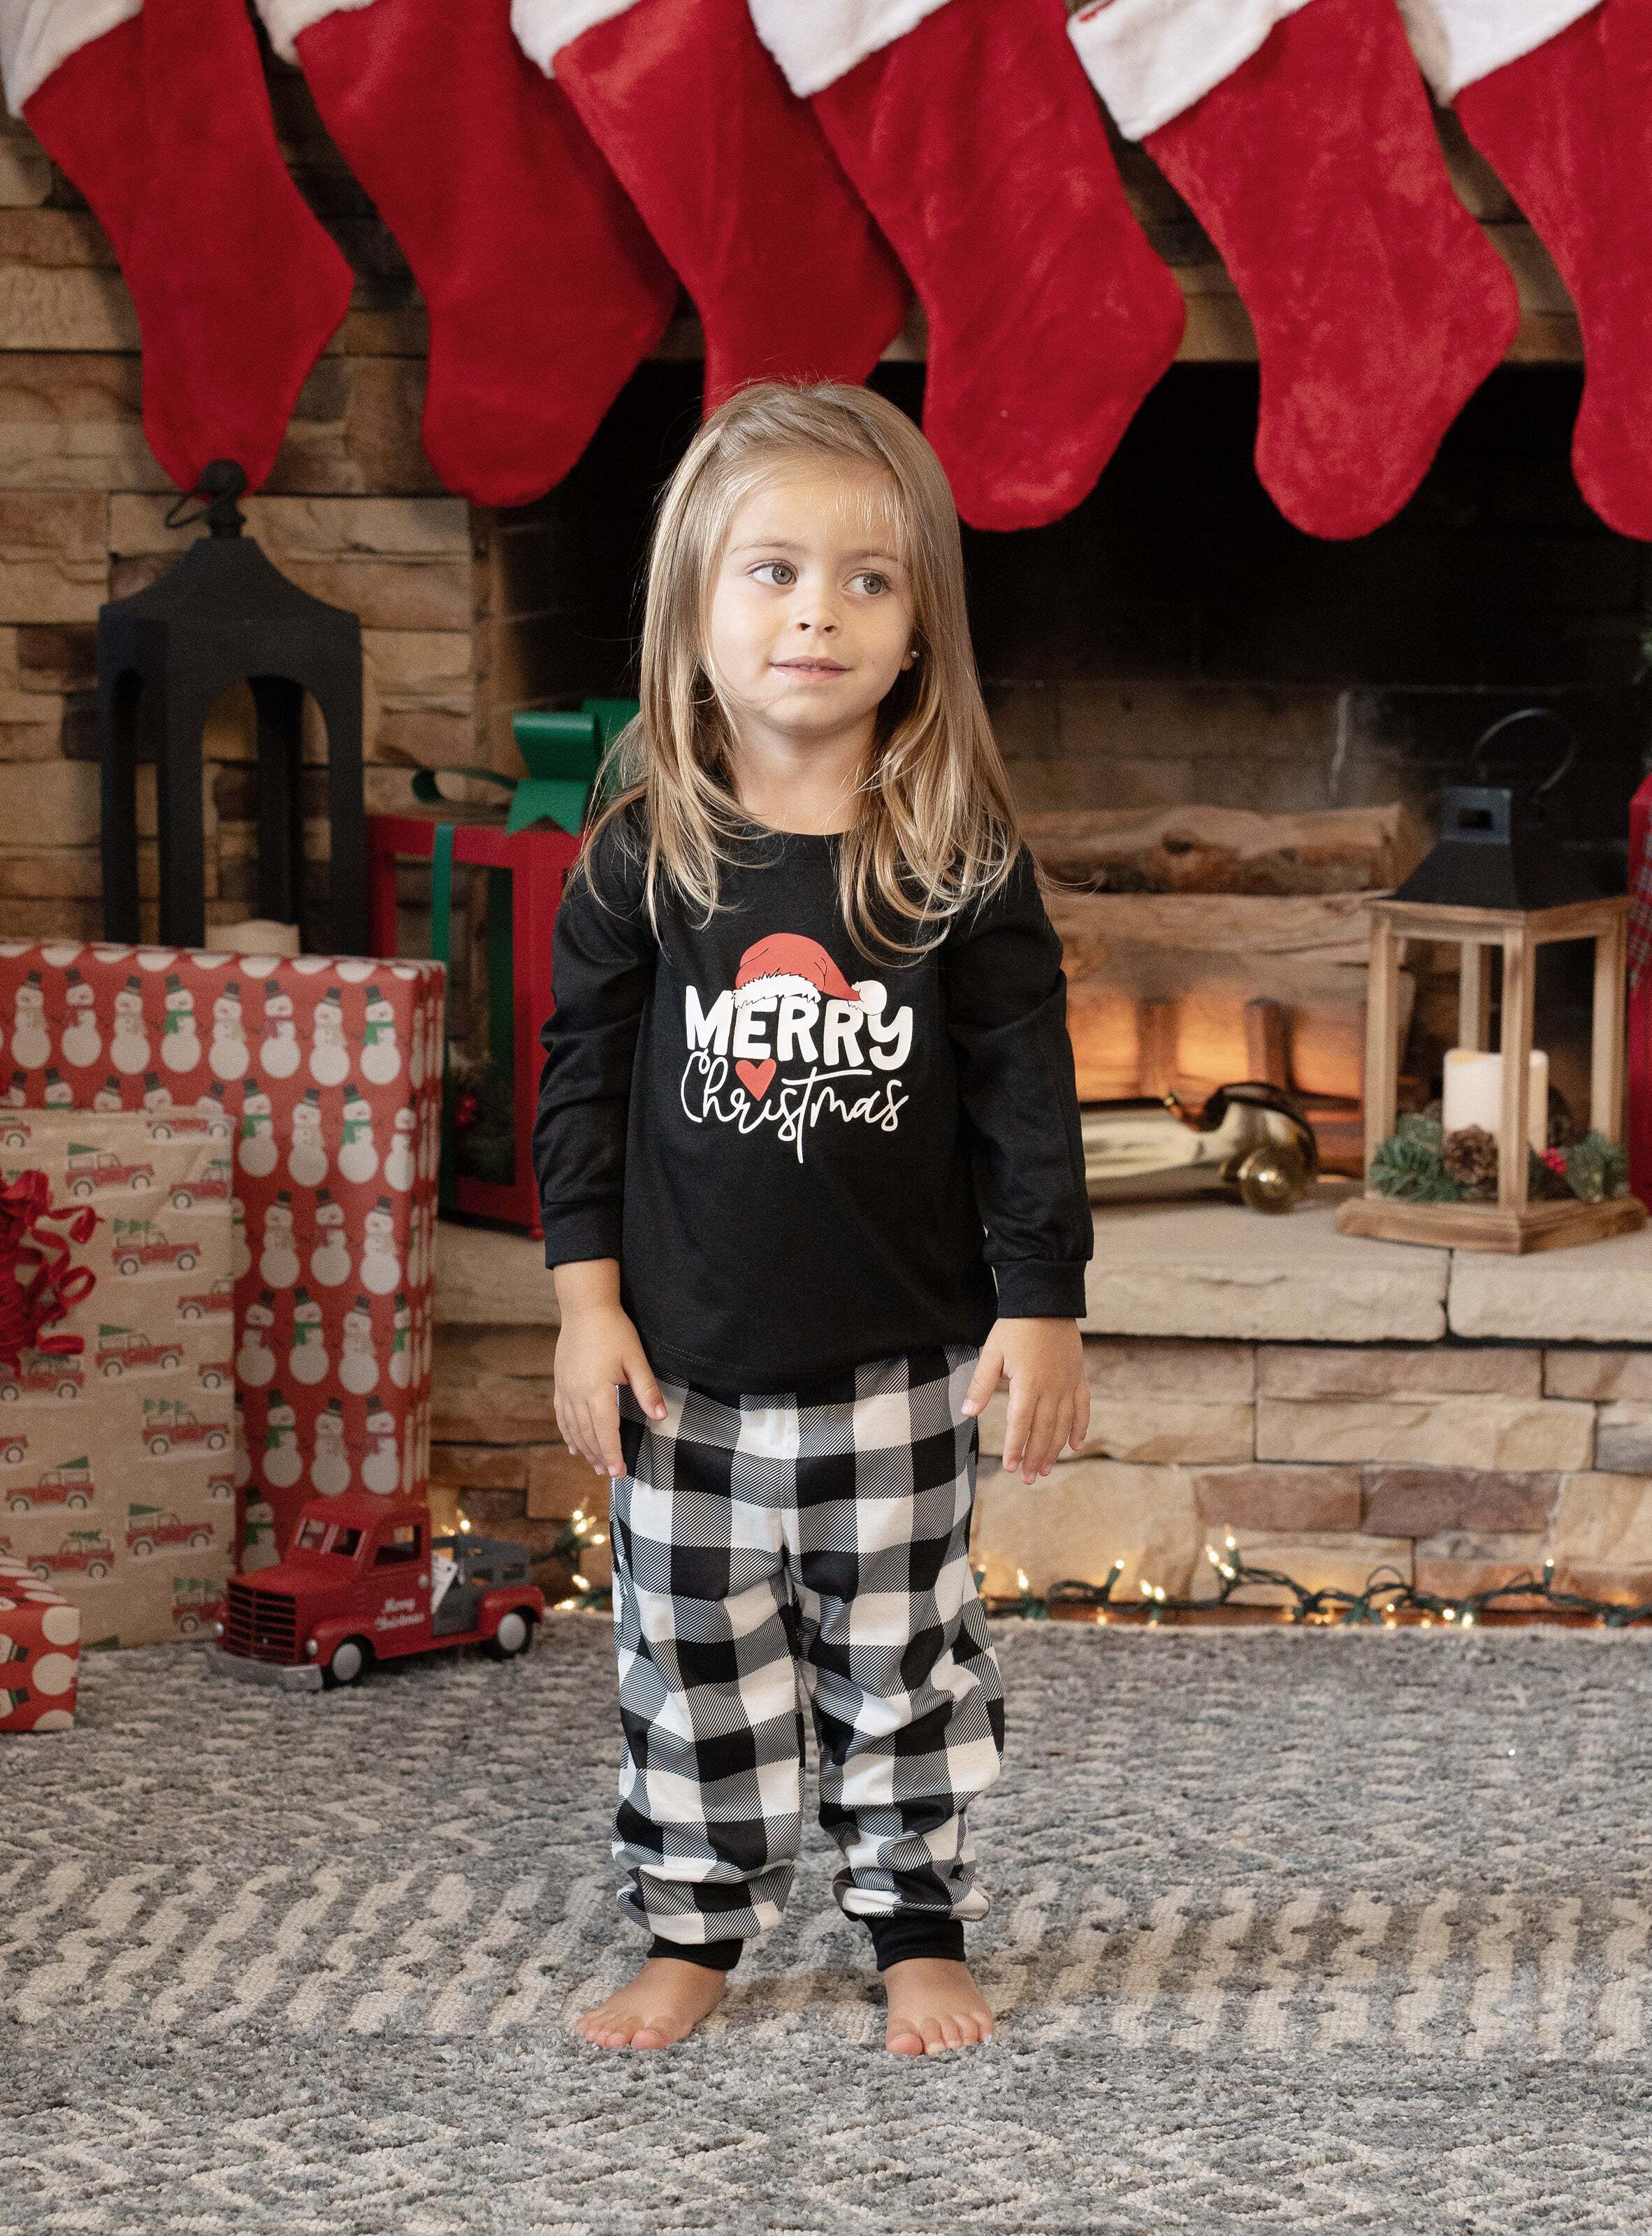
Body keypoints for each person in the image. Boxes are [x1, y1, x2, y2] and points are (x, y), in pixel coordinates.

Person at [533, 380, 1093, 2058]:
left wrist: (1043, 1301)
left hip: (899, 1372)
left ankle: (913, 1920)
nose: (816, 614)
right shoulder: (643, 858)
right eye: (771, 572)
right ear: (694, 614)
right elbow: (578, 1089)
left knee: (902, 1659)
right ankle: (694, 1928)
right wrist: (584, 1305)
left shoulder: (956, 860)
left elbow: (1027, 1093)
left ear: (919, 631)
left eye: (867, 580)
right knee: (692, 1663)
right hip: (684, 1378)